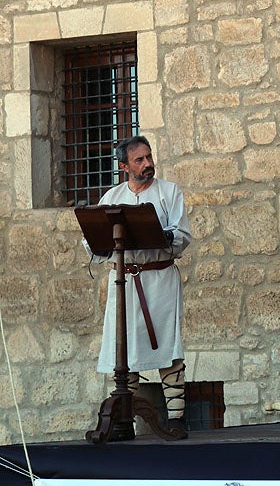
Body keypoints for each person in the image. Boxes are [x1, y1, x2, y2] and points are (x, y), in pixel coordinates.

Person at [83, 135, 193, 437]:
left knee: (167, 346)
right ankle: (124, 423)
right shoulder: (111, 197)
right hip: (124, 282)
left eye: (149, 157)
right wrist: (101, 245)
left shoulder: (169, 192)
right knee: (125, 349)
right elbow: (92, 239)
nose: (148, 164)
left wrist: (164, 236)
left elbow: (182, 234)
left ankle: (176, 419)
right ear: (124, 166)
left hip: (159, 280)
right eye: (139, 160)